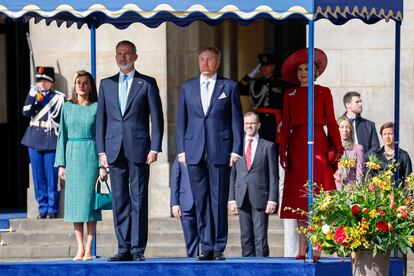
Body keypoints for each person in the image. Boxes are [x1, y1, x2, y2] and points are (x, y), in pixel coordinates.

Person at [96, 40, 164, 262]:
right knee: (119, 200)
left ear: (135, 56)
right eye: (119, 54)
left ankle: (137, 249)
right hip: (114, 149)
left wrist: (155, 147)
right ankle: (123, 247)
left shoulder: (147, 83)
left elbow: (157, 118)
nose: (122, 57)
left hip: (140, 149)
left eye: (126, 54)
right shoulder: (106, 84)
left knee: (139, 199)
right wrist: (101, 152)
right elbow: (101, 121)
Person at [176, 46, 243, 261]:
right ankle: (206, 246)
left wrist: (236, 149)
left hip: (220, 150)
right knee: (201, 200)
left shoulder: (229, 86)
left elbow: (236, 121)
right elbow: (181, 121)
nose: (205, 63)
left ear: (218, 63)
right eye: (202, 59)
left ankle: (218, 245)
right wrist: (181, 150)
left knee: (218, 199)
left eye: (210, 60)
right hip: (194, 151)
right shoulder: (187, 87)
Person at [279, 48, 343, 259]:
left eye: (307, 69)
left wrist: (338, 146)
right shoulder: (290, 94)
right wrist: (283, 150)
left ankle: (317, 247)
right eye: (300, 69)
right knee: (299, 198)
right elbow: (286, 125)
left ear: (315, 72)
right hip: (297, 146)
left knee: (317, 196)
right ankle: (300, 248)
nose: (303, 73)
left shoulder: (324, 92)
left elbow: (332, 123)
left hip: (317, 144)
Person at [54, 70, 101, 261]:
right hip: (72, 156)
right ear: (74, 86)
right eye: (78, 82)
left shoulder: (97, 107)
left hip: (90, 156)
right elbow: (61, 136)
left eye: (85, 83)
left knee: (89, 205)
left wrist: (102, 165)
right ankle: (80, 247)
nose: (81, 85)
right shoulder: (67, 107)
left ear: (90, 87)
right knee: (74, 206)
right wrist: (61, 164)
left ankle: (89, 248)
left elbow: (100, 137)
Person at [228, 111, 278, 257]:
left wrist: (272, 199)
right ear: (243, 126)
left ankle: (262, 268)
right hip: (241, 196)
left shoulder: (268, 146)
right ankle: (247, 268)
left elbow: (273, 176)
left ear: (259, 125)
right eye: (247, 123)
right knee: (245, 237)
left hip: (261, 197)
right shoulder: (235, 146)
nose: (249, 126)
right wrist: (231, 199)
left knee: (260, 237)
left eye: (252, 123)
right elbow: (232, 175)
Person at [21, 66, 65, 219]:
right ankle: (42, 208)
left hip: (50, 138)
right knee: (38, 177)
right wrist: (31, 96)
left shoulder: (59, 98)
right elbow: (26, 112)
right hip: (34, 139)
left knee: (52, 177)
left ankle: (52, 209)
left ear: (51, 82)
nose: (42, 84)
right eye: (39, 81)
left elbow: (61, 119)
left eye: (45, 81)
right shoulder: (34, 96)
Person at [238, 53, 286, 145]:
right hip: (258, 120)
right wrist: (251, 74)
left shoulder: (281, 82)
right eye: (262, 66)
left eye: (267, 66)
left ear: (273, 67)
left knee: (273, 147)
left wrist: (284, 120)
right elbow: (238, 88)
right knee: (258, 146)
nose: (264, 68)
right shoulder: (255, 83)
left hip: (275, 121)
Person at [170, 157, 200, 258]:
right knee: (190, 240)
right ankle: (191, 265)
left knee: (207, 240)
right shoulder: (180, 155)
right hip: (186, 202)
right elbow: (175, 179)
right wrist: (175, 204)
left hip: (203, 202)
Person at [343, 91, 380, 161]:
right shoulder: (337, 124)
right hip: (343, 167)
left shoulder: (369, 125)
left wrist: (361, 158)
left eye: (360, 101)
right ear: (348, 105)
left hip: (364, 167)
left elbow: (376, 147)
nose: (360, 104)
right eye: (357, 102)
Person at [334, 116, 364, 190]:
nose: (345, 130)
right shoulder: (333, 149)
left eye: (348, 127)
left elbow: (360, 171)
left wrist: (358, 189)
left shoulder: (358, 148)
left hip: (351, 190)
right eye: (342, 127)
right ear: (337, 129)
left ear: (351, 130)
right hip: (335, 188)